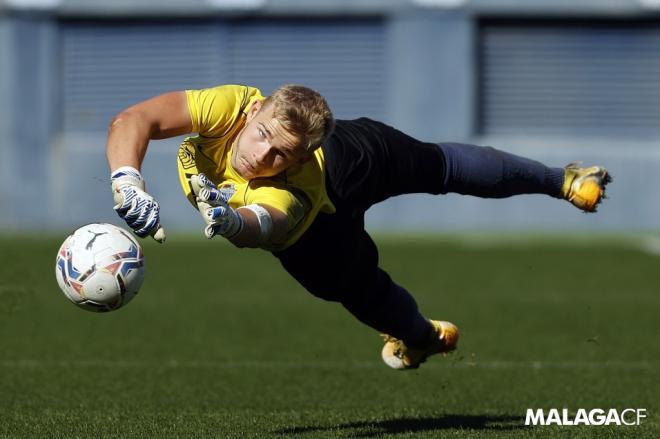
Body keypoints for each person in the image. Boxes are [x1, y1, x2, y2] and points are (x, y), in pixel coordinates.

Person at [106, 84, 611, 370]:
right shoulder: (232, 105)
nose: (260, 156)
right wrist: (128, 181)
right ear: (255, 109)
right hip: (346, 165)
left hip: (318, 228)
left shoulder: (291, 186)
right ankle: (566, 182)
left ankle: (423, 335)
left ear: (305, 155)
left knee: (368, 277)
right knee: (432, 176)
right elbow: (137, 118)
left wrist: (228, 218)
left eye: (281, 152)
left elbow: (261, 224)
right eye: (261, 134)